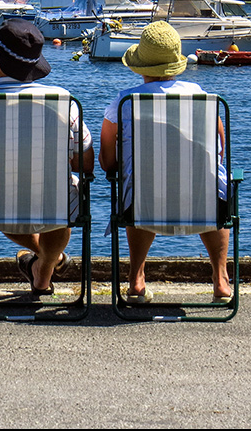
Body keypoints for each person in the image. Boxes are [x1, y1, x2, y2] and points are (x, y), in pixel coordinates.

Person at [0, 19, 94, 296]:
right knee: (59, 198)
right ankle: (46, 268)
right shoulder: (64, 102)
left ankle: (43, 267)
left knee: (2, 196)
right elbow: (84, 164)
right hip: (57, 206)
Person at [98, 20, 232, 304]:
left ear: (142, 66)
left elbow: (107, 161)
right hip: (202, 202)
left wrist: (125, 168)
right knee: (212, 185)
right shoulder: (203, 98)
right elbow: (221, 153)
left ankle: (136, 280)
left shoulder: (124, 102)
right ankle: (221, 280)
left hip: (143, 204)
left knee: (139, 184)